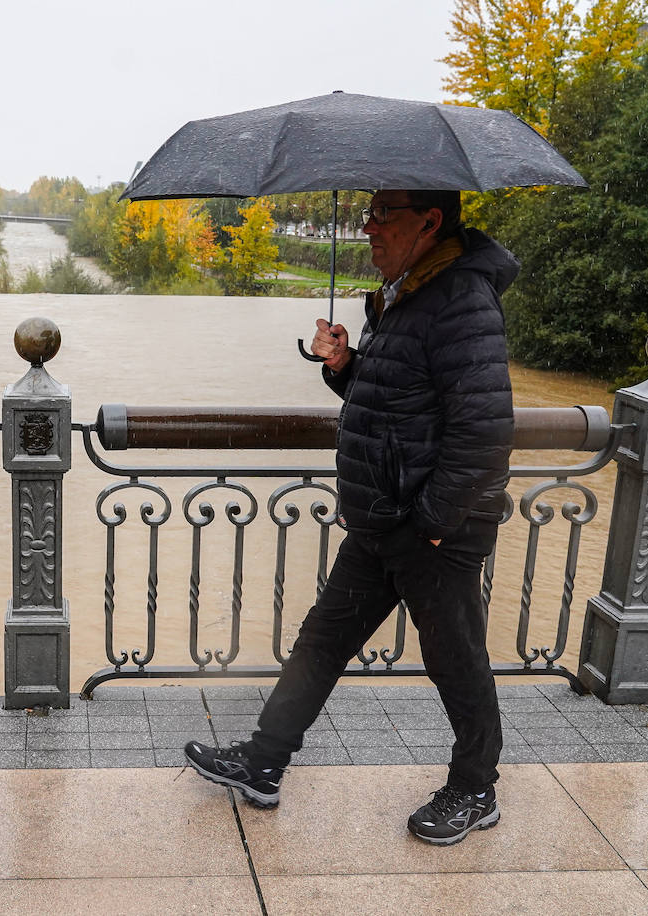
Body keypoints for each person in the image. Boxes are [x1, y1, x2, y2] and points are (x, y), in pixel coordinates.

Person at [183, 188, 516, 847]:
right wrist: (343, 365)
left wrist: (430, 521)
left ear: (429, 220)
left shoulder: (461, 300)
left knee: (456, 658)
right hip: (384, 517)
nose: (368, 226)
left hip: (432, 528)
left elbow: (483, 432)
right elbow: (393, 396)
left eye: (382, 213)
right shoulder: (403, 295)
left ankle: (476, 788)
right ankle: (264, 760)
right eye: (367, 212)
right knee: (323, 640)